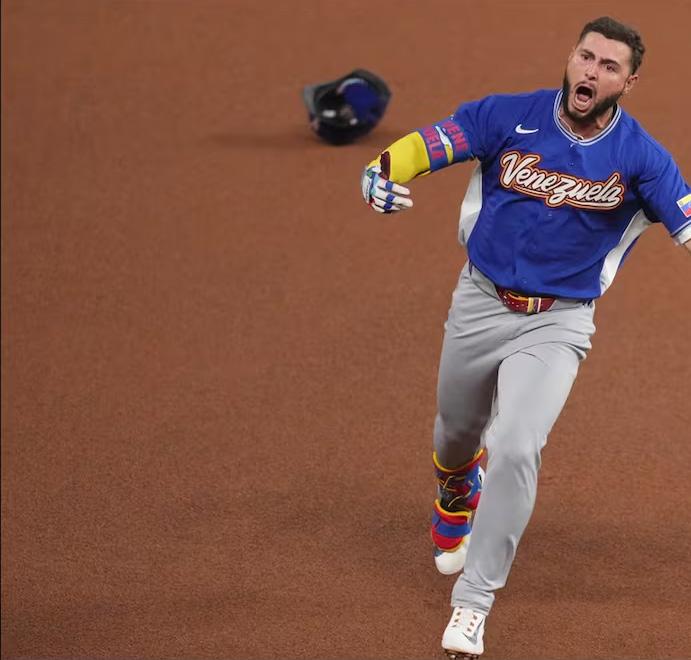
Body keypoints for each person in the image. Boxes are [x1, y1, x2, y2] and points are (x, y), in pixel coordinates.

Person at [360, 16, 690, 660]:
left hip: (558, 322)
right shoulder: (507, 116)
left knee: (516, 444)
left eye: (609, 66)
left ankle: (474, 603)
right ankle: (457, 488)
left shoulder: (641, 157)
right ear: (571, 57)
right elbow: (432, 143)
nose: (592, 72)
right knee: (455, 434)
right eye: (586, 57)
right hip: (480, 302)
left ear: (629, 83)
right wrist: (380, 168)